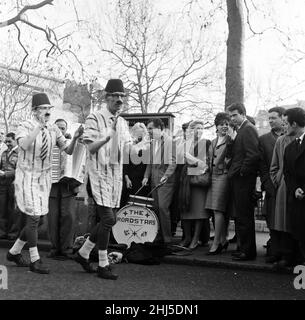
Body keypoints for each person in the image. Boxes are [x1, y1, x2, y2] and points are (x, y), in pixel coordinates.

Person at [6, 92, 83, 274]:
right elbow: (24, 145)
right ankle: (35, 260)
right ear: (35, 110)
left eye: (49, 108)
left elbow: (68, 150)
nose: (47, 111)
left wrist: (77, 137)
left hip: (44, 179)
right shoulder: (24, 125)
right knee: (33, 217)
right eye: (43, 108)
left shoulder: (54, 129)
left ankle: (14, 251)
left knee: (40, 221)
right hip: (27, 177)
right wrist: (38, 127)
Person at [74, 79, 132, 280]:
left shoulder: (123, 122)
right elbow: (90, 148)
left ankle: (83, 253)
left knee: (110, 219)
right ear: (106, 97)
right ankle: (102, 264)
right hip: (98, 176)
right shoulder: (94, 118)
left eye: (121, 96)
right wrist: (108, 136)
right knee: (108, 219)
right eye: (115, 96)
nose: (119, 99)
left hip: (115, 178)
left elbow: (127, 149)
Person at [227, 102, 260, 261]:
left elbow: (253, 155)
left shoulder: (248, 129)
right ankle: (243, 249)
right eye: (231, 116)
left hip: (243, 180)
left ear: (243, 114)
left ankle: (247, 252)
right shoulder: (241, 130)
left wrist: (241, 173)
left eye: (235, 115)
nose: (232, 119)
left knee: (244, 217)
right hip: (239, 179)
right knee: (241, 216)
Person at [47, 119, 81, 260]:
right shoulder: (47, 144)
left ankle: (66, 249)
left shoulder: (70, 144)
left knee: (68, 217)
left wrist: (77, 138)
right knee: (53, 218)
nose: (61, 130)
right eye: (58, 127)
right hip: (52, 186)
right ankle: (55, 248)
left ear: (66, 130)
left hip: (68, 186)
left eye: (63, 128)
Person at [142, 118, 177, 245]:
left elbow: (173, 162)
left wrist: (166, 176)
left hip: (165, 182)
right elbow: (150, 163)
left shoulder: (169, 141)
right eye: (148, 129)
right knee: (156, 208)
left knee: (163, 208)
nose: (148, 131)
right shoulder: (152, 143)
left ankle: (167, 239)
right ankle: (158, 236)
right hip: (154, 180)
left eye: (150, 128)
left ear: (159, 128)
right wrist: (146, 176)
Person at [258, 107, 286, 262]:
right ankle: (275, 250)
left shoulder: (291, 137)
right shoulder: (263, 140)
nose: (270, 121)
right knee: (272, 219)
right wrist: (267, 183)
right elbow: (261, 165)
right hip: (271, 186)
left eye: (273, 118)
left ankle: (286, 251)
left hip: (287, 186)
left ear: (283, 118)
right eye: (269, 118)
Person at [178, 120, 211, 250]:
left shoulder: (206, 143)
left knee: (198, 211)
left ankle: (196, 239)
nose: (200, 130)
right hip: (186, 180)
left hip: (198, 181)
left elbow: (206, 164)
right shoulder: (185, 143)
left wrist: (192, 167)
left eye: (202, 128)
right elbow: (180, 159)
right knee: (185, 209)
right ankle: (187, 237)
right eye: (197, 128)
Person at [205, 113, 232, 255]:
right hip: (213, 176)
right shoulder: (213, 141)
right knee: (214, 209)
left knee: (218, 209)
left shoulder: (230, 140)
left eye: (227, 124)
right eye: (222, 124)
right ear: (216, 126)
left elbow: (230, 158)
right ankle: (223, 240)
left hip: (223, 176)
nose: (225, 126)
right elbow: (210, 159)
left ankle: (216, 242)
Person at [269, 121, 295, 268]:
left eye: (287, 123)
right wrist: (278, 180)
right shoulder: (281, 140)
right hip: (284, 186)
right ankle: (286, 255)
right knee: (284, 222)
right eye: (283, 123)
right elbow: (274, 165)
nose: (285, 126)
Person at [283, 108, 305, 266]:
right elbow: (287, 173)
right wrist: (294, 188)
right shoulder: (289, 148)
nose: (285, 127)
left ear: (295, 124)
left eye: (286, 123)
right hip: (297, 199)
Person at [121, 122, 150, 207]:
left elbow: (149, 164)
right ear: (133, 133)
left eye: (141, 132)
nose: (139, 134)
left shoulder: (148, 146)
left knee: (141, 203)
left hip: (143, 180)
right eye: (137, 132)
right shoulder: (128, 146)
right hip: (130, 179)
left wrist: (146, 177)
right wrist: (127, 178)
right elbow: (125, 164)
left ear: (144, 133)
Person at [0, 132, 19, 240]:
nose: (7, 143)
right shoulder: (4, 153)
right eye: (6, 141)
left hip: (14, 184)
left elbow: (21, 169)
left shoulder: (21, 153)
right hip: (2, 184)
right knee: (2, 209)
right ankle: (2, 232)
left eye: (9, 141)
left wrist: (6, 174)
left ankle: (13, 233)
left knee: (13, 210)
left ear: (15, 140)